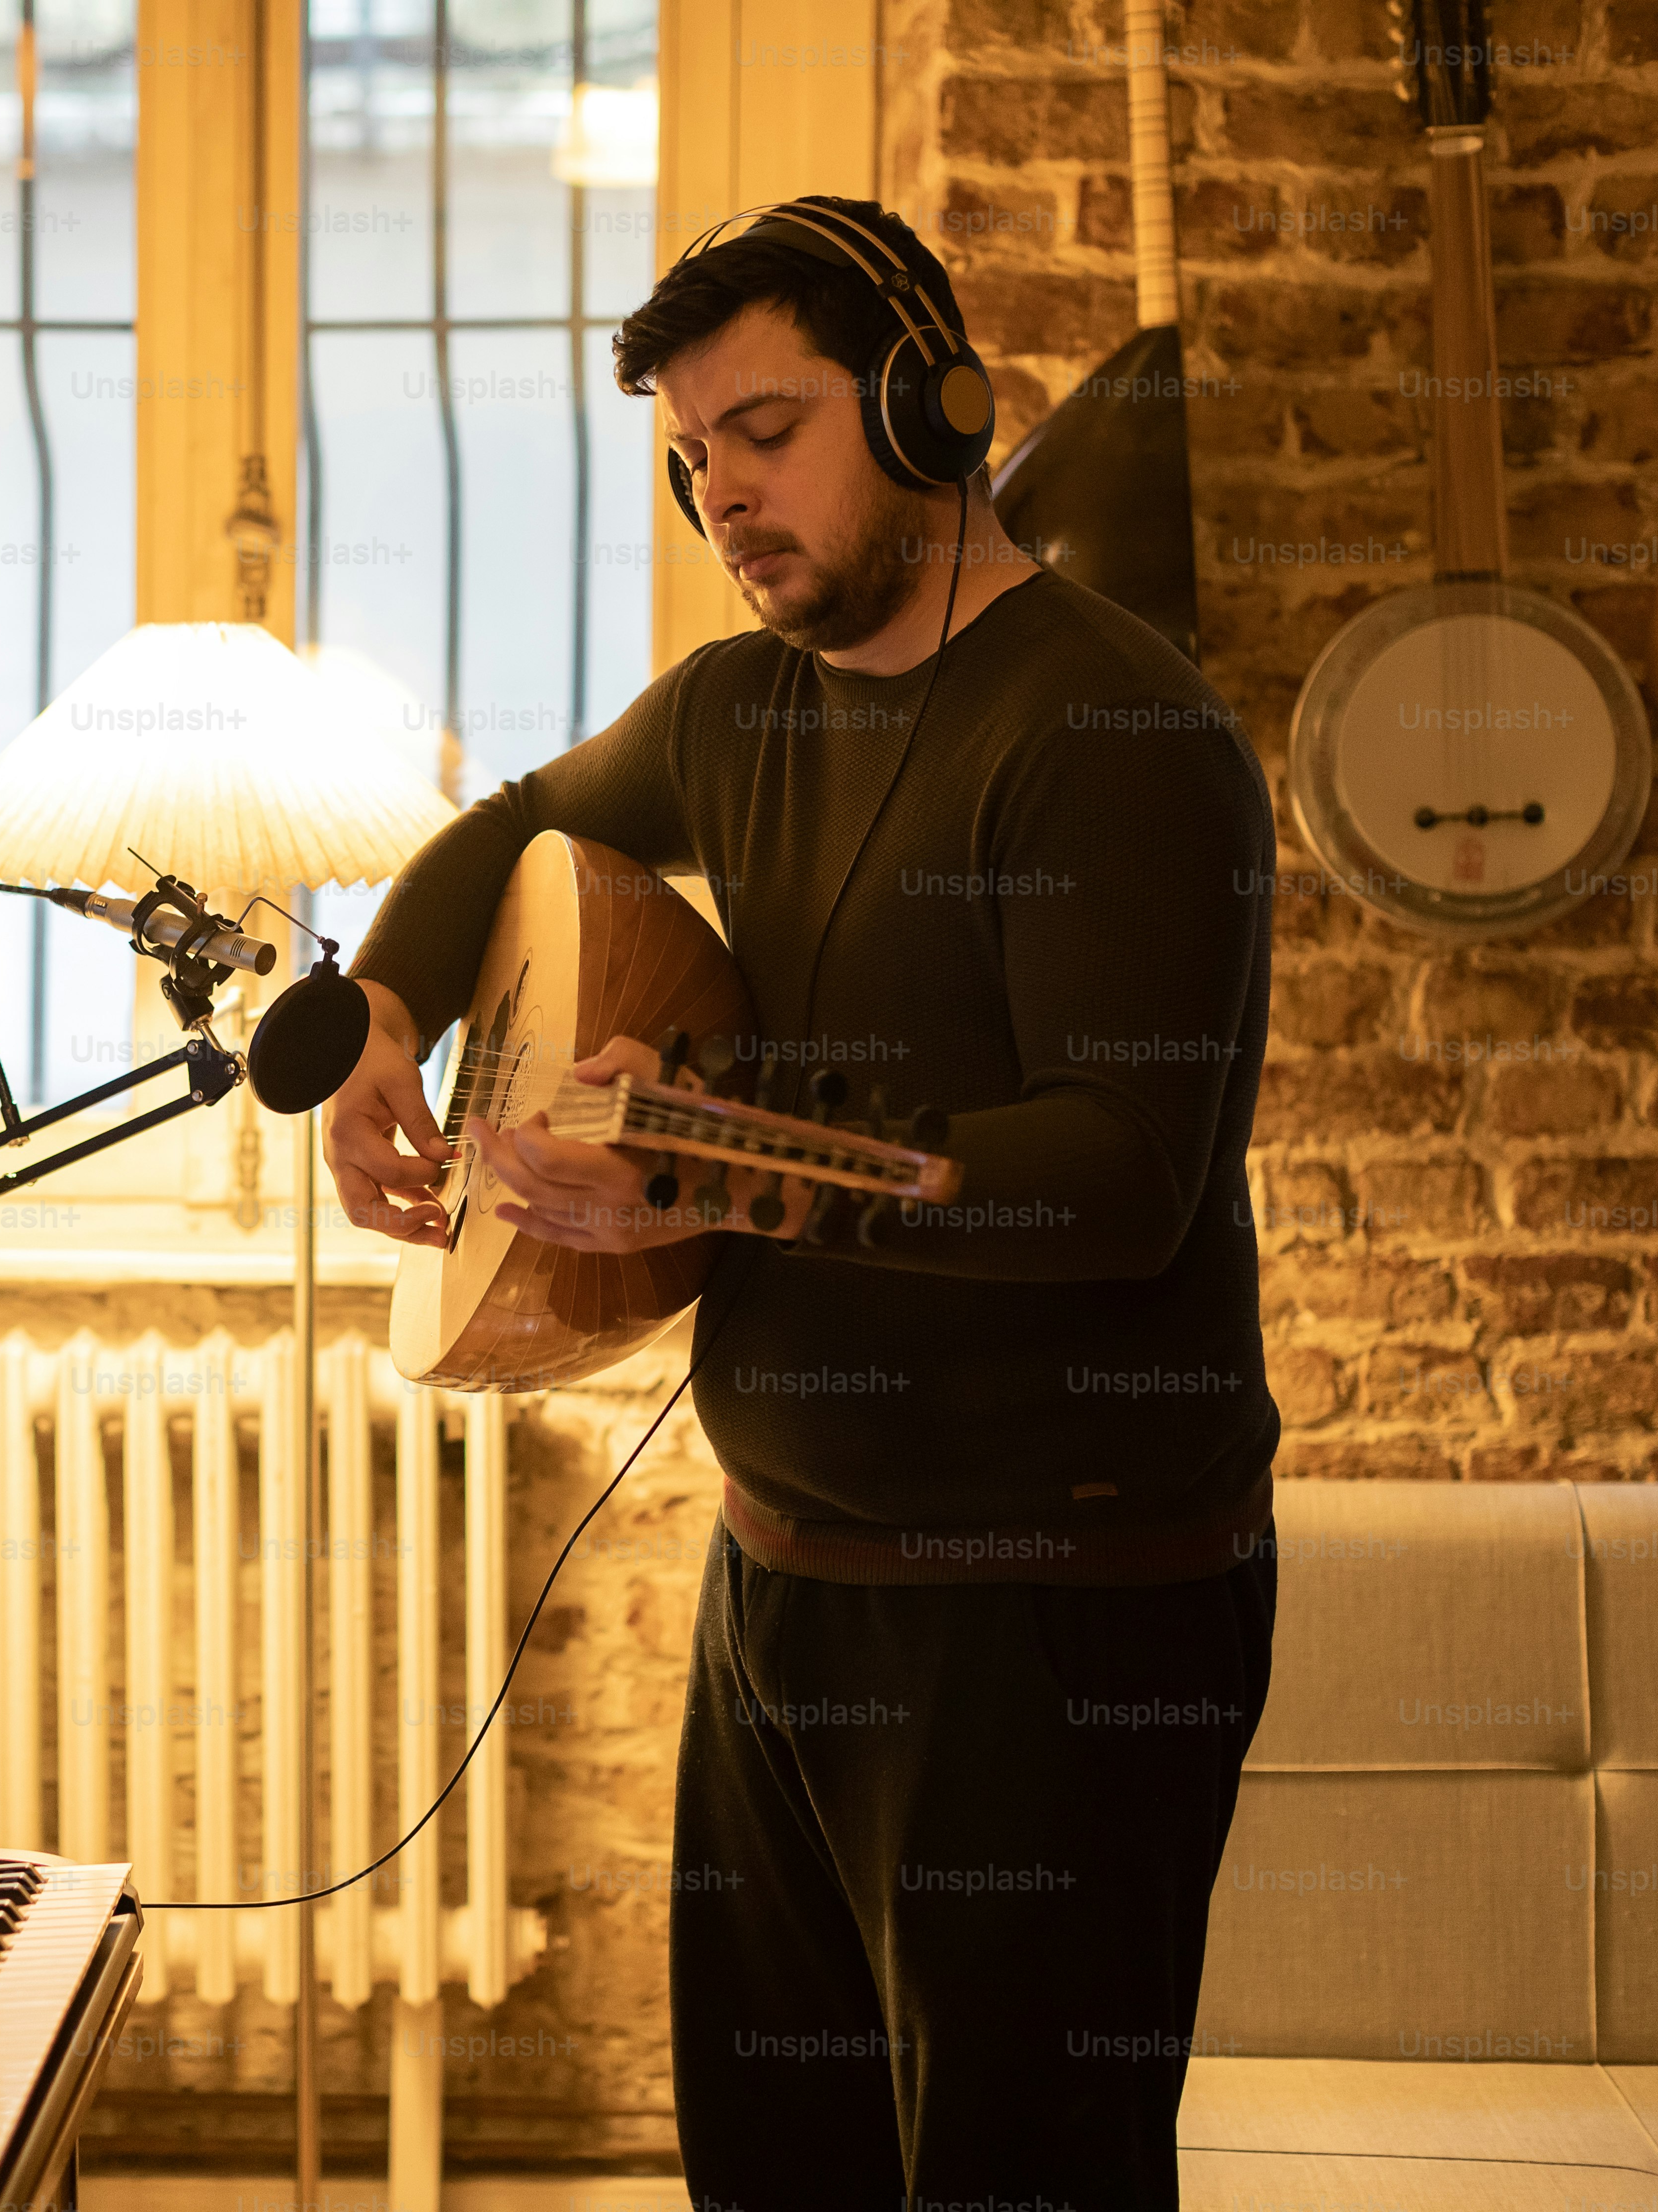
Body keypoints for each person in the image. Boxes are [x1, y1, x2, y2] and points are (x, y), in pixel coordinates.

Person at [326, 196, 1281, 2208]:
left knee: (1022, 2176)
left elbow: (1113, 1181)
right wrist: (380, 1011)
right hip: (786, 1578)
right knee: (777, 2168)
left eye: (764, 431)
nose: (722, 494)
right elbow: (511, 823)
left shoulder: (1118, 733)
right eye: (690, 461)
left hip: (1062, 1617)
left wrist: (693, 1151)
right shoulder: (738, 707)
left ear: (931, 406)